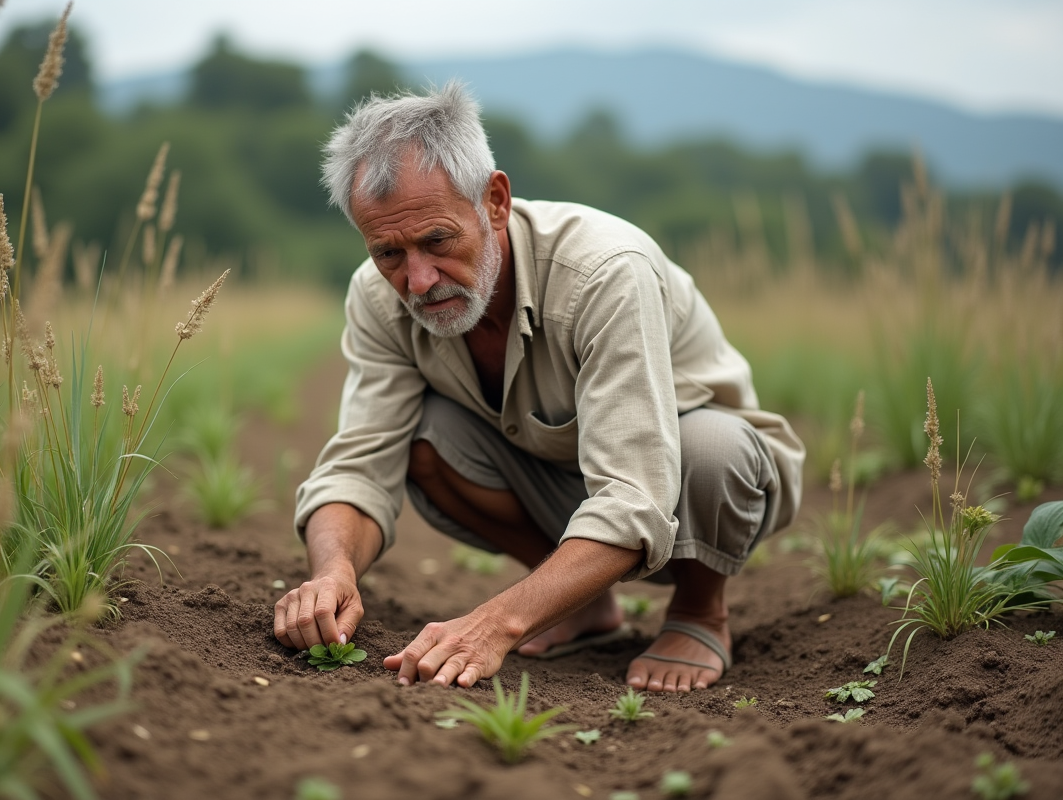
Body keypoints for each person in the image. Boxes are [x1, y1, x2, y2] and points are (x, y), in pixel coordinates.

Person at [272, 82, 804, 693]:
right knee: (423, 439)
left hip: (694, 490)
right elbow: (361, 462)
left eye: (438, 241)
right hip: (557, 479)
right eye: (388, 252)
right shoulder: (375, 295)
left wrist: (495, 624)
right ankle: (580, 602)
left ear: (494, 202)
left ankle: (700, 611)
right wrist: (334, 572)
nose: (417, 280)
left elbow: (635, 493)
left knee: (714, 449)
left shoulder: (605, 273)